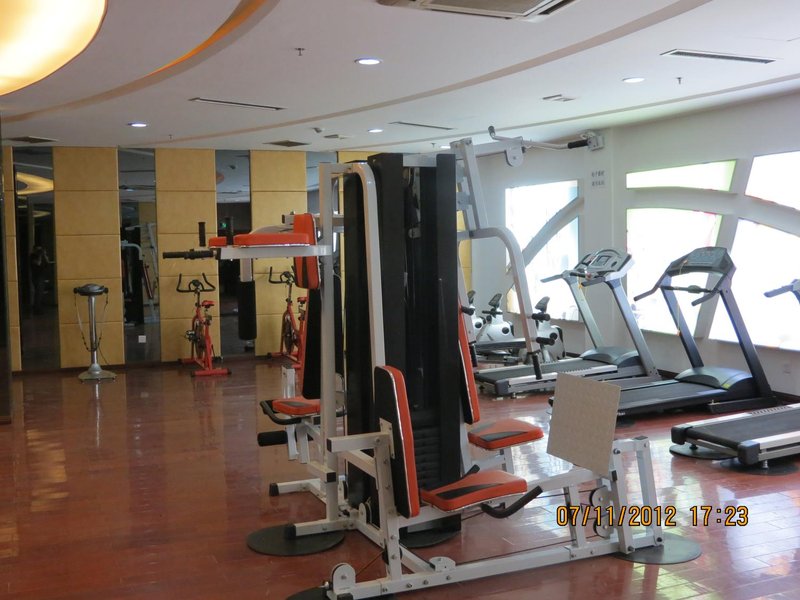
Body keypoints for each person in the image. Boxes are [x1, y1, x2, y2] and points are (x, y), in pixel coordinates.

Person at [30, 246, 51, 314]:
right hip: (36, 277)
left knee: (41, 293)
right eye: (38, 250)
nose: (39, 251)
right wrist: (40, 256)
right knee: (38, 293)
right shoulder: (32, 256)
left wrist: (44, 254)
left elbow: (48, 262)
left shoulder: (42, 256)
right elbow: (38, 263)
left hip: (42, 276)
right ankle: (37, 309)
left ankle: (39, 308)